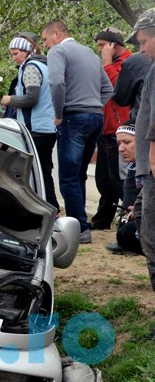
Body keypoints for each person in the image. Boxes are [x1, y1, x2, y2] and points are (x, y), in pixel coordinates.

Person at [41, 20, 114, 243]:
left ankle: (79, 228)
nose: (44, 45)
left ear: (56, 34)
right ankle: (81, 223)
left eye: (44, 39)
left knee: (68, 177)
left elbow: (55, 82)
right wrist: (93, 105)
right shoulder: (91, 54)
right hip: (95, 118)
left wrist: (60, 113)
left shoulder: (58, 51)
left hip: (73, 118)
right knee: (80, 174)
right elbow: (108, 89)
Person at [0, 35, 59, 210]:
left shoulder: (31, 68)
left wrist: (10, 99)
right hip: (47, 128)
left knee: (35, 173)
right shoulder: (45, 65)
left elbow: (31, 98)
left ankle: (46, 208)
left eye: (16, 53)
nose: (14, 58)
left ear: (27, 51)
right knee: (44, 172)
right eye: (11, 54)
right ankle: (50, 207)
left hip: (36, 129)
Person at [92, 27, 132, 230]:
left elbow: (117, 89)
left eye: (101, 46)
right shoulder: (112, 63)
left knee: (119, 180)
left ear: (112, 45)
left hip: (120, 130)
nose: (99, 50)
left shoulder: (127, 63)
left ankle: (131, 221)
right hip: (106, 128)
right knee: (104, 180)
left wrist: (106, 62)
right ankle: (102, 219)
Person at [130, 7, 155, 290]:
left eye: (144, 42)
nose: (142, 49)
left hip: (152, 168)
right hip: (146, 170)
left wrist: (151, 160)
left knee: (152, 239)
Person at [106, 124, 143, 255]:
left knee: (127, 233)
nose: (121, 148)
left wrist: (143, 212)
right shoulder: (136, 167)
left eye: (127, 142)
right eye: (119, 143)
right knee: (124, 234)